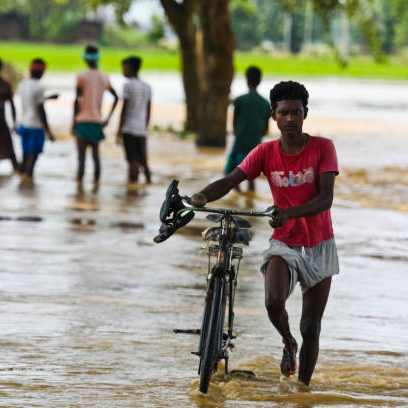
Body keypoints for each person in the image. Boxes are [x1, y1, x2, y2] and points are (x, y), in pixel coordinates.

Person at [188, 81, 339, 386]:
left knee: (311, 326)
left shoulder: (323, 147)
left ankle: (302, 393)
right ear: (274, 116)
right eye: (284, 113)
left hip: (320, 244)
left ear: (305, 113)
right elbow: (231, 180)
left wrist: (289, 212)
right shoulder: (265, 152)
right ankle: (287, 341)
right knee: (273, 302)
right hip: (283, 242)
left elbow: (326, 199)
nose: (291, 119)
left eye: (297, 112)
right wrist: (201, 197)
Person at [72, 45, 118, 185]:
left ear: (86, 58)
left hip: (82, 121)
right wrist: (108, 118)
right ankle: (96, 186)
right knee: (96, 158)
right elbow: (116, 97)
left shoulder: (81, 76)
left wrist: (74, 121)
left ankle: (79, 190)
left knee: (81, 159)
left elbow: (77, 100)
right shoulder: (104, 77)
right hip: (97, 121)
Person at [225, 66, 271, 193]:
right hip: (255, 144)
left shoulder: (239, 100)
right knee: (252, 177)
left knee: (231, 175)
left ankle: (239, 197)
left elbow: (234, 123)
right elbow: (266, 129)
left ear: (247, 80)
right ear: (260, 81)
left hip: (240, 143)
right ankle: (250, 204)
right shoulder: (265, 103)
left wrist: (237, 133)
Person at [16, 58, 58, 181]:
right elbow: (40, 110)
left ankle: (21, 183)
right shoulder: (39, 88)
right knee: (32, 158)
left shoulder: (22, 84)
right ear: (41, 72)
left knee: (25, 156)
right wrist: (48, 131)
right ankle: (27, 185)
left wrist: (47, 98)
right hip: (36, 127)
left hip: (24, 125)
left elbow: (31, 101)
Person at [117, 56, 152, 183]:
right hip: (141, 128)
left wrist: (119, 130)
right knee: (143, 160)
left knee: (132, 161)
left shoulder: (128, 85)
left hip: (129, 127)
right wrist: (145, 126)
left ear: (130, 69)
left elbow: (124, 110)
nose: (123, 70)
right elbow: (148, 110)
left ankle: (132, 189)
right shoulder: (147, 86)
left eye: (124, 67)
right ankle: (149, 182)